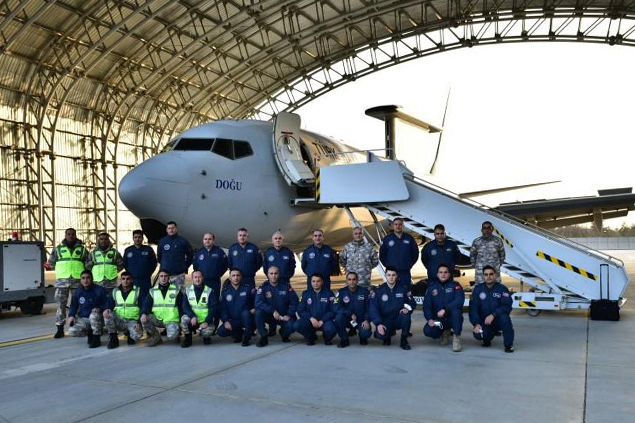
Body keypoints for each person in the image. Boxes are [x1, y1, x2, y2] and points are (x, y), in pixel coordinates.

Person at [48, 227, 88, 338]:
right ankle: (60, 329)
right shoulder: (58, 249)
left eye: (72, 234)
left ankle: (79, 326)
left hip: (77, 282)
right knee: (61, 306)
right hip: (62, 282)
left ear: (75, 235)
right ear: (65, 235)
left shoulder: (82, 249)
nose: (70, 236)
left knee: (79, 305)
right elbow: (51, 262)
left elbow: (88, 263)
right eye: (68, 234)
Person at [469, 265, 514, 352]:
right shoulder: (478, 289)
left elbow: (507, 306)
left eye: (491, 274)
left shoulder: (502, 289)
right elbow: (473, 309)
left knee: (505, 319)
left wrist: (494, 314)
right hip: (484, 321)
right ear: (483, 276)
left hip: (498, 319)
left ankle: (508, 345)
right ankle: (487, 338)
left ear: (495, 275)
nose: (488, 276)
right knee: (478, 335)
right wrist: (476, 323)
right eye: (486, 274)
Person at [369, 266, 416, 350]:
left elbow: (412, 302)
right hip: (385, 320)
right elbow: (373, 309)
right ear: (385, 275)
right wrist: (378, 324)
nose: (391, 277)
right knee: (380, 335)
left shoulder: (403, 289)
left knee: (406, 315)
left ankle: (404, 339)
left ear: (397, 276)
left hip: (398, 318)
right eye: (389, 275)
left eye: (393, 275)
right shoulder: (379, 291)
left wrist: (407, 308)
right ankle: (388, 334)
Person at [423, 264, 465, 352]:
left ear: (449, 274)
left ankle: (456, 337)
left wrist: (445, 309)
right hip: (439, 320)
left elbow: (459, 301)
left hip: (452, 318)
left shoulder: (455, 286)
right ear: (437, 274)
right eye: (441, 272)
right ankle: (444, 332)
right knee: (428, 330)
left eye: (446, 272)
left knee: (456, 312)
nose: (443, 274)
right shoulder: (431, 287)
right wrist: (429, 319)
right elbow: (427, 306)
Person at [255, 266, 299, 347]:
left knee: (292, 325)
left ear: (279, 274)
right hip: (269, 315)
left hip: (283, 315)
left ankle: (284, 333)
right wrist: (272, 311)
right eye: (271, 273)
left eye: (276, 273)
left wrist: (288, 314)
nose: (273, 276)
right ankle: (263, 336)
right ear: (267, 275)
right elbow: (258, 303)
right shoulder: (263, 287)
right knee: (258, 313)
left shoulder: (286, 286)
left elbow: (295, 301)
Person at [141, 269, 184, 346]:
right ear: (159, 278)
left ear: (169, 278)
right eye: (161, 276)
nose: (163, 278)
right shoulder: (153, 291)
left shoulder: (176, 290)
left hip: (172, 320)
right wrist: (143, 313)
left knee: (172, 337)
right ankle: (156, 337)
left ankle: (176, 332)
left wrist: (181, 320)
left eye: (165, 276)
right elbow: (146, 305)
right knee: (144, 319)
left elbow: (182, 306)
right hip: (158, 319)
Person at [67, 270, 107, 348]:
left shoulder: (100, 290)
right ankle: (90, 332)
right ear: (81, 280)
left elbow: (108, 304)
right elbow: (73, 305)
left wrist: (100, 309)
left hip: (98, 318)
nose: (85, 280)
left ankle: (96, 338)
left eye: (88, 278)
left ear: (92, 279)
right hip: (84, 318)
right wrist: (71, 316)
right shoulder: (78, 291)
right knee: (72, 331)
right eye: (83, 278)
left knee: (93, 315)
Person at [103, 271, 143, 349]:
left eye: (128, 279)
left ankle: (130, 335)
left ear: (131, 280)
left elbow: (143, 308)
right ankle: (113, 338)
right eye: (123, 279)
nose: (125, 281)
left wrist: (139, 323)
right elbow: (109, 304)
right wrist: (106, 309)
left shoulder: (138, 291)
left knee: (137, 335)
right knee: (107, 314)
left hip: (132, 321)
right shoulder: (115, 291)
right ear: (120, 280)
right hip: (119, 321)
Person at [294, 273, 337, 345]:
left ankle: (327, 338)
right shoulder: (305, 294)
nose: (315, 283)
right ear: (310, 282)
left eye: (318, 281)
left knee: (331, 329)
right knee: (297, 325)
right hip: (310, 321)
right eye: (313, 281)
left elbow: (333, 310)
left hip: (324, 322)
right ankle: (311, 337)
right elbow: (300, 310)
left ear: (322, 282)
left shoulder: (329, 293)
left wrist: (323, 320)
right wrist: (311, 318)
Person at [217, 268, 256, 346]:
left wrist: (254, 308)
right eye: (233, 275)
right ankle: (238, 333)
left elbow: (257, 300)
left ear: (241, 277)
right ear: (230, 277)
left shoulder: (248, 288)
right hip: (234, 321)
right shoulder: (225, 292)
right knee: (221, 332)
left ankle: (247, 338)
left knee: (246, 313)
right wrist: (226, 321)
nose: (236, 277)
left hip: (247, 319)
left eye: (238, 275)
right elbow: (223, 309)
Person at [180, 270, 218, 348]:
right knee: (183, 319)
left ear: (203, 278)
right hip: (192, 319)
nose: (197, 279)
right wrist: (192, 316)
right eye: (195, 277)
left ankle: (206, 337)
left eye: (199, 277)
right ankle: (188, 339)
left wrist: (207, 321)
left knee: (208, 332)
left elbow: (213, 308)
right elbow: (185, 306)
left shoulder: (209, 291)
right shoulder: (187, 290)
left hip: (205, 320)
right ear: (192, 278)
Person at [333, 272, 372, 348]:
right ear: (346, 281)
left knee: (366, 333)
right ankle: (344, 339)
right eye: (349, 279)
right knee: (338, 318)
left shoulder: (365, 292)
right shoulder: (340, 292)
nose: (351, 281)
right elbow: (335, 307)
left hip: (361, 320)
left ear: (357, 280)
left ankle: (362, 337)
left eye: (354, 279)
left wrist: (367, 320)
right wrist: (349, 313)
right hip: (347, 320)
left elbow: (369, 308)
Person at [379, 218, 419, 288]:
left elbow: (415, 253)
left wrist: (408, 265)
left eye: (400, 224)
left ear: (403, 226)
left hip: (405, 273)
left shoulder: (409, 239)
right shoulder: (387, 239)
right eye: (396, 224)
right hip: (391, 273)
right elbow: (382, 255)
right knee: (391, 293)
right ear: (392, 226)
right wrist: (388, 266)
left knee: (406, 293)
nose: (398, 226)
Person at [157, 221, 194, 290]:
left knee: (179, 296)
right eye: (169, 228)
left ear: (176, 229)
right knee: (165, 295)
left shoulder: (183, 241)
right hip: (165, 275)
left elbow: (190, 255)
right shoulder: (162, 241)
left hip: (179, 274)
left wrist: (184, 266)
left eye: (173, 228)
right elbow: (159, 257)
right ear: (166, 230)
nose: (171, 230)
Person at [122, 229, 157, 299]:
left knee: (145, 297)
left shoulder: (148, 249)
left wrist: (148, 273)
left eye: (139, 237)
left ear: (142, 238)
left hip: (145, 279)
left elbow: (154, 263)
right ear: (133, 238)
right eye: (135, 237)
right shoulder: (128, 250)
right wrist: (130, 273)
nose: (137, 239)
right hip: (132, 280)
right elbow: (125, 264)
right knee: (132, 297)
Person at [193, 232, 228, 296]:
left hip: (215, 282)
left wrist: (218, 274)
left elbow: (225, 265)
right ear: (203, 240)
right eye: (205, 239)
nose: (207, 241)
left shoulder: (219, 252)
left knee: (214, 300)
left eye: (209, 239)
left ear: (213, 240)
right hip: (202, 281)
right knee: (202, 300)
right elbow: (195, 267)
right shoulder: (199, 252)